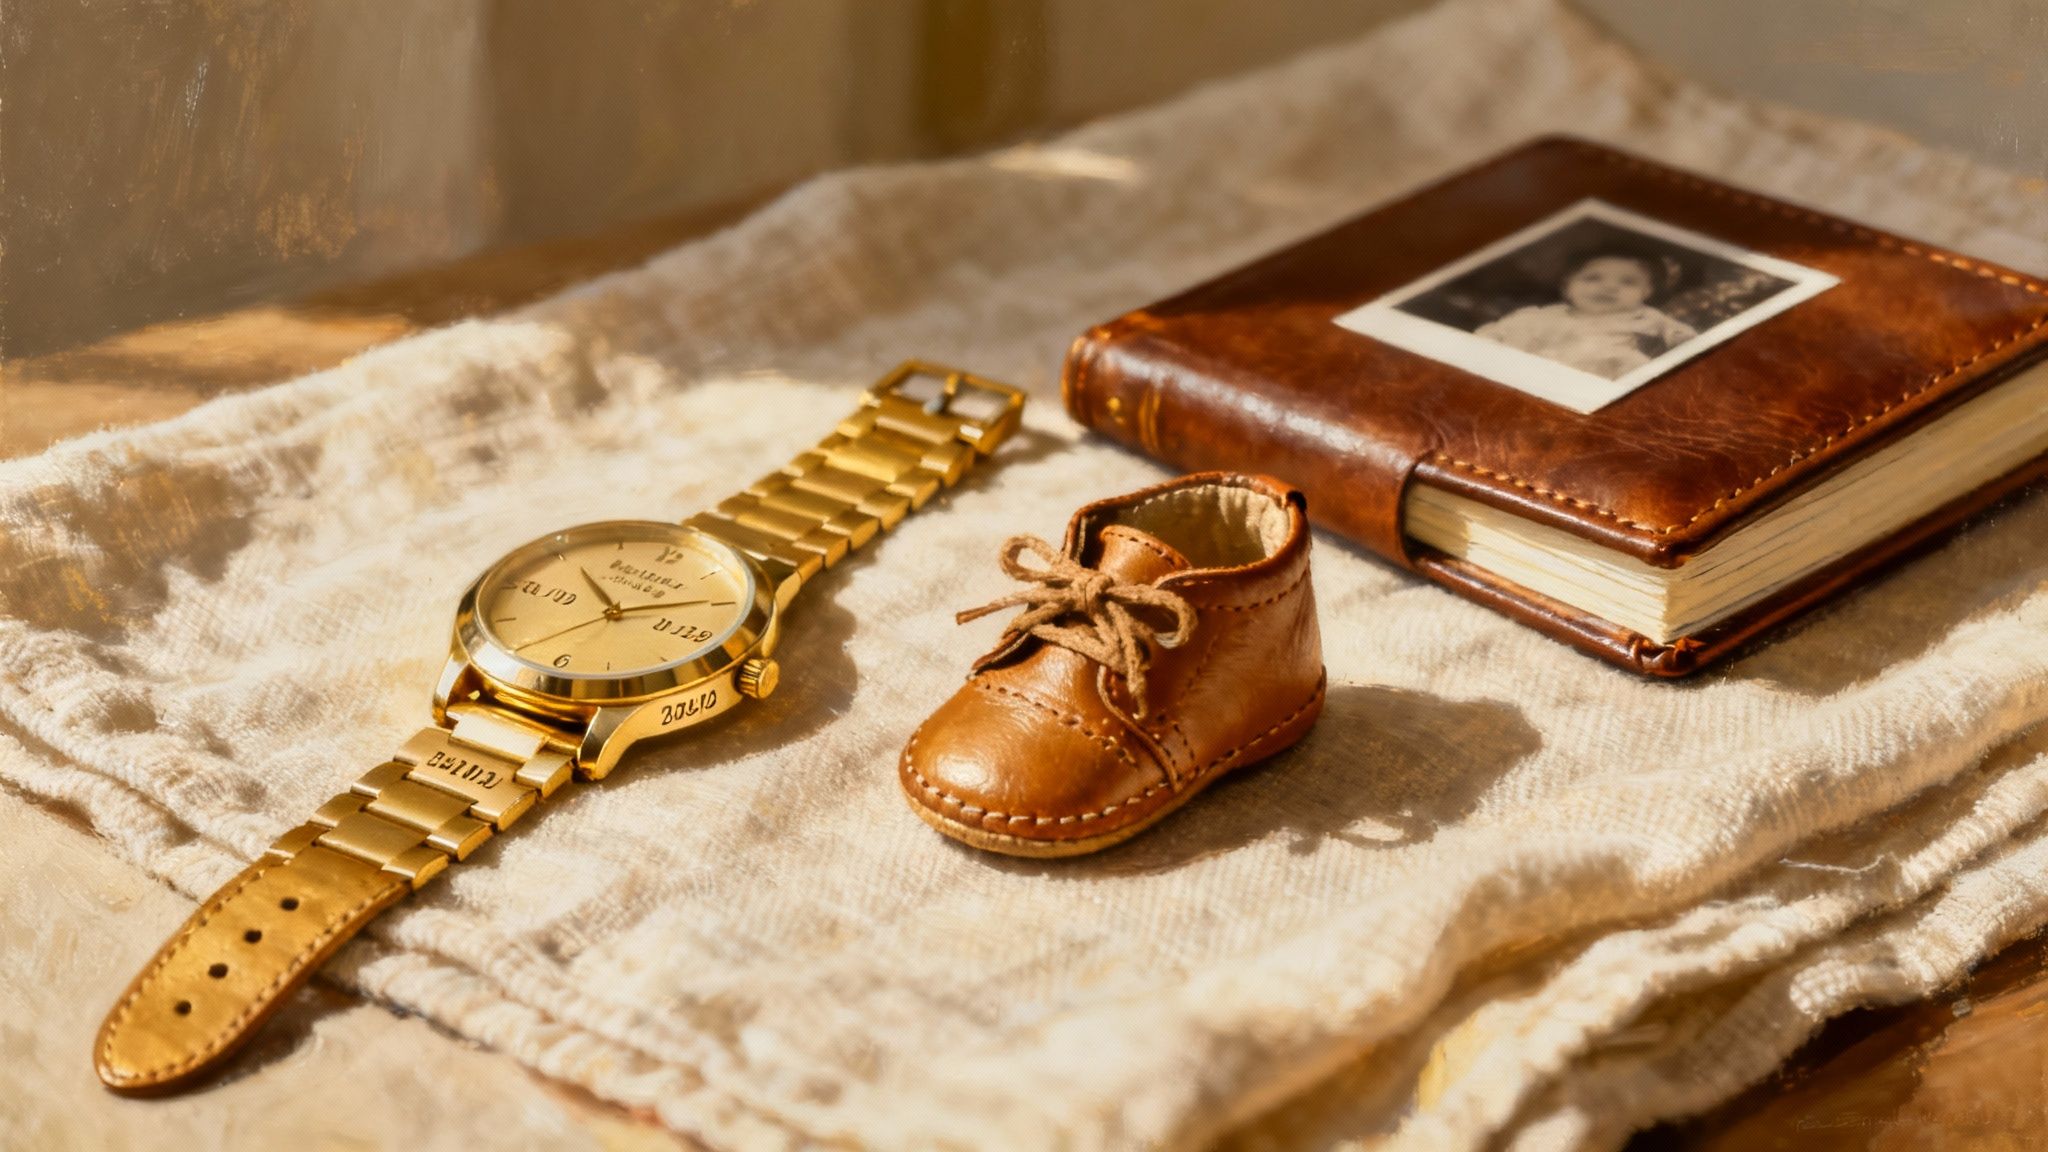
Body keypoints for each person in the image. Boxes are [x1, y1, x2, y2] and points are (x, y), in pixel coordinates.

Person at [1475, 248, 1697, 379]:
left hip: (1606, 367)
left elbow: (1680, 334)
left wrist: (1680, 338)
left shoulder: (1645, 316)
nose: (1609, 287)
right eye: (1593, 278)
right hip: (1546, 367)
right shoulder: (1546, 315)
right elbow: (1505, 331)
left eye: (1628, 282)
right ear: (1567, 287)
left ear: (1646, 292)